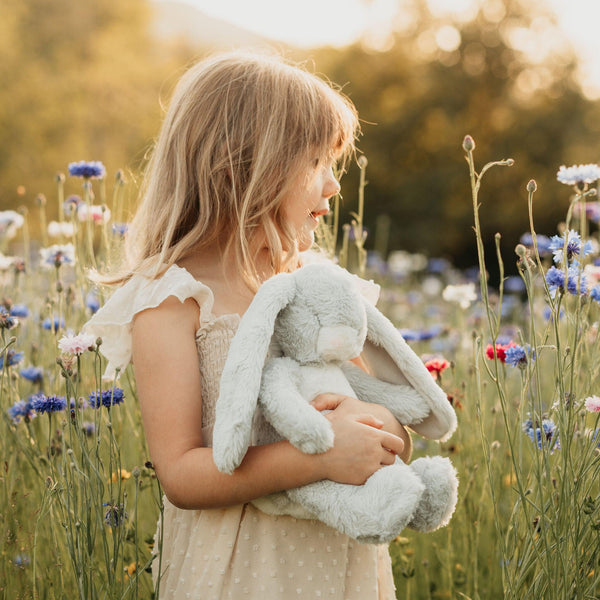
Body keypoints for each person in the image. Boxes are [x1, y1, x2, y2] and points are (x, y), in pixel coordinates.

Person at [84, 50, 411, 600]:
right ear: (243, 167)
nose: (332, 186)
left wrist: (371, 423)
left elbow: (397, 425)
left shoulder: (318, 288)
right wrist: (322, 456)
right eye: (315, 163)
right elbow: (182, 474)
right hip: (239, 571)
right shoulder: (174, 300)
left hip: (339, 567)